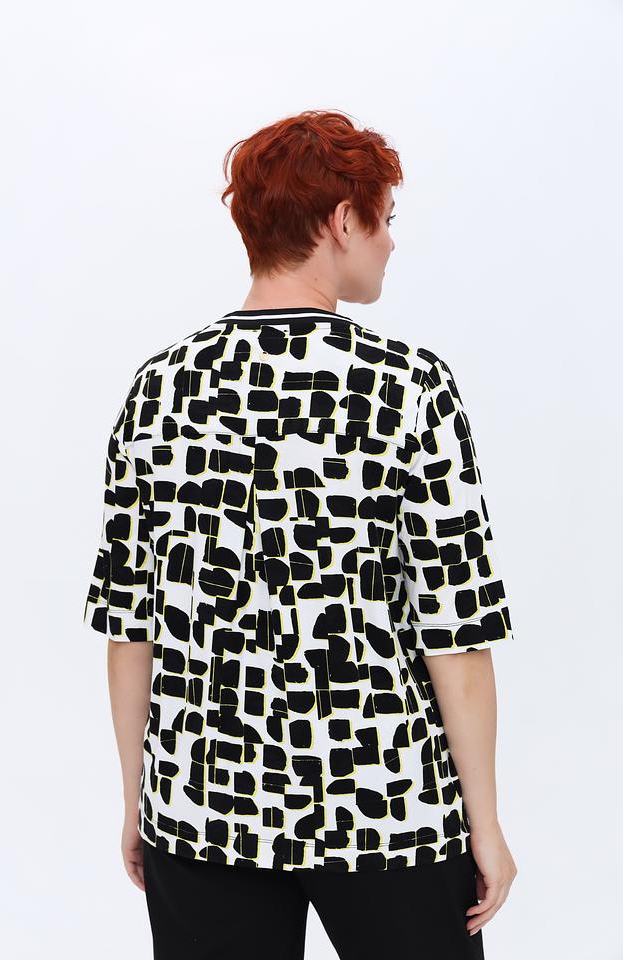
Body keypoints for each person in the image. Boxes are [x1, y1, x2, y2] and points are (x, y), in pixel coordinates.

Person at [82, 109, 518, 959]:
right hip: (385, 805)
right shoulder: (407, 388)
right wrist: (486, 821)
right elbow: (456, 630)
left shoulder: (161, 388)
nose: (391, 242)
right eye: (385, 219)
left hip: (204, 804)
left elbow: (129, 622)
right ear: (342, 221)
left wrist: (138, 797)